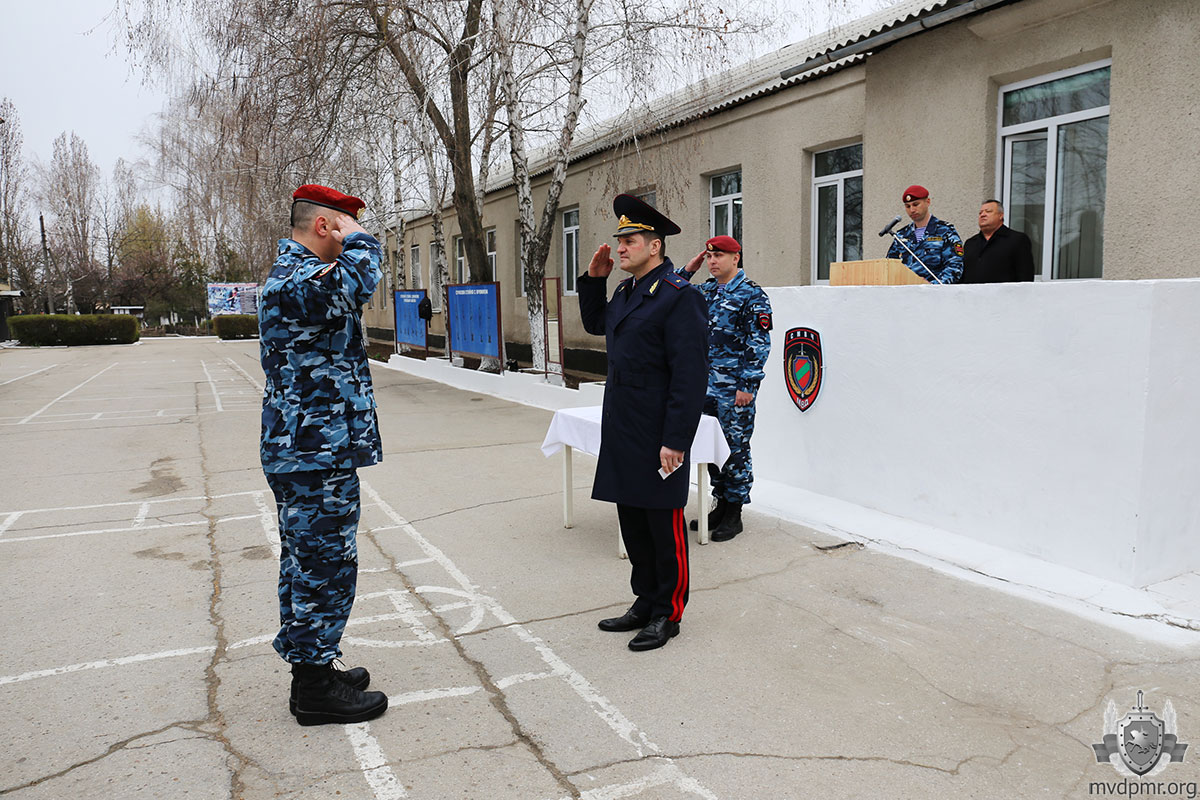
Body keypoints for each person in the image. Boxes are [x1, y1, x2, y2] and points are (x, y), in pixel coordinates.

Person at [259, 184, 389, 725]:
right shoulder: (298, 279)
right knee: (324, 566)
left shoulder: (304, 278)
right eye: (344, 224)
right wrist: (363, 240)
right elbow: (357, 280)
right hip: (312, 455)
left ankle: (313, 668)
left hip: (314, 452)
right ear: (324, 226)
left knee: (310, 562)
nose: (352, 234)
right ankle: (314, 688)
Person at [578, 194, 708, 652]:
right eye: (620, 240)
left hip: (657, 433)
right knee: (632, 520)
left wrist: (676, 440)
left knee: (662, 527)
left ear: (655, 246)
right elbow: (597, 324)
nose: (621, 247)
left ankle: (668, 613)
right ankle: (644, 600)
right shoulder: (625, 292)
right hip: (623, 428)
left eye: (630, 240)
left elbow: (690, 376)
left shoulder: (679, 297)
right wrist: (594, 280)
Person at [678, 235, 772, 542]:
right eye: (708, 256)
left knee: (735, 447)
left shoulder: (752, 294)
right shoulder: (706, 291)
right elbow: (670, 291)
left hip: (734, 390)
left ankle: (735, 512)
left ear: (736, 257)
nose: (712, 261)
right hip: (704, 387)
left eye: (718, 255)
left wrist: (747, 385)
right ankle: (720, 503)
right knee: (711, 446)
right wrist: (688, 269)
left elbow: (759, 343)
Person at [885, 185, 964, 284]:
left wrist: (933, 286)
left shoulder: (945, 231)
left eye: (916, 204)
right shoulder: (901, 235)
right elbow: (889, 266)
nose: (912, 210)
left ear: (928, 202)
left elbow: (955, 266)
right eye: (908, 206)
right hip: (906, 290)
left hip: (935, 291)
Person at [961, 199, 1036, 283]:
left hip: (1006, 291)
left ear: (1001, 215)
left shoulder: (1017, 240)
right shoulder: (970, 243)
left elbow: (1025, 277)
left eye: (988, 211)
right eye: (980, 213)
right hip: (972, 291)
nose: (983, 215)